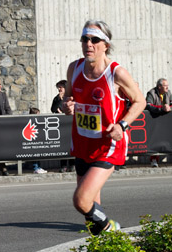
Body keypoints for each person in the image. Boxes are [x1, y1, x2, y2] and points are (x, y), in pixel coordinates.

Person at [60, 20, 146, 235]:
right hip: (82, 143)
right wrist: (67, 106)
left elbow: (140, 101)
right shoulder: (74, 68)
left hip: (107, 146)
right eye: (85, 39)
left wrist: (122, 125)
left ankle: (111, 228)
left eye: (94, 40)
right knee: (91, 220)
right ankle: (104, 242)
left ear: (106, 45)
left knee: (81, 200)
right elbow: (68, 99)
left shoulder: (116, 73)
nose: (88, 44)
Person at [145, 78, 172, 167]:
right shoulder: (151, 93)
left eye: (167, 85)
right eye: (165, 86)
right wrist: (161, 109)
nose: (167, 87)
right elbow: (148, 105)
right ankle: (153, 160)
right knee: (154, 140)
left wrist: (170, 108)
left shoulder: (168, 92)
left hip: (165, 121)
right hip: (154, 120)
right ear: (159, 87)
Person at [50, 80, 73, 173]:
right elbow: (53, 109)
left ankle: (72, 164)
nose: (59, 89)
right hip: (61, 125)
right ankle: (63, 165)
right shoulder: (57, 98)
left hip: (71, 124)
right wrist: (59, 100)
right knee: (63, 145)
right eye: (58, 87)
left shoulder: (71, 97)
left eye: (61, 87)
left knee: (71, 145)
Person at [29, 107, 47, 174]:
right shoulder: (31, 121)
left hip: (37, 141)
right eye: (38, 114)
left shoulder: (37, 120)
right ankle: (36, 168)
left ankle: (39, 167)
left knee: (38, 154)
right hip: (33, 141)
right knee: (34, 155)